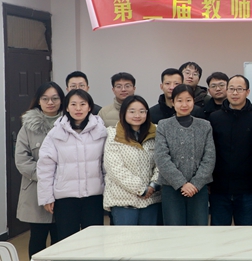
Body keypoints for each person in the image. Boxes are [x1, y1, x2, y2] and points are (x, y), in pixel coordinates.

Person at [37, 89, 107, 241]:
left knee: (94, 241)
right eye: (73, 104)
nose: (78, 108)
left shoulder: (101, 131)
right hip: (65, 198)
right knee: (67, 241)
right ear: (67, 107)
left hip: (94, 197)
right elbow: (45, 167)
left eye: (83, 104)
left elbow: (106, 165)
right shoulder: (56, 133)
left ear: (90, 107)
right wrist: (46, 197)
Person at [15, 82, 64, 259]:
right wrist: (44, 176)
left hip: (63, 188)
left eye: (55, 98)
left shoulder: (68, 124)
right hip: (35, 190)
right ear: (38, 101)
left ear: (61, 100)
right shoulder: (28, 126)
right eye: (45, 98)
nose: (50, 102)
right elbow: (22, 159)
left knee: (61, 238)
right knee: (37, 237)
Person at [154, 84, 215, 225]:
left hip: (198, 188)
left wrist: (195, 184)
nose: (184, 104)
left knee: (198, 229)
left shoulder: (205, 125)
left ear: (193, 101)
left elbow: (209, 157)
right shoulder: (163, 125)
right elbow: (162, 157)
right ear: (173, 102)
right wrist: (182, 184)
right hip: (171, 187)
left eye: (188, 100)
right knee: (175, 230)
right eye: (179, 100)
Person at [208, 75, 252, 226]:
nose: (235, 93)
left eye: (239, 89)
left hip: (247, 188)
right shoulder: (214, 118)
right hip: (219, 187)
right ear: (226, 91)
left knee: (246, 232)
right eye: (231, 89)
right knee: (219, 233)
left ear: (247, 92)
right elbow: (209, 152)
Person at [103, 95, 161, 225]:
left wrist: (153, 185)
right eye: (132, 111)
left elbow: (161, 163)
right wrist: (141, 189)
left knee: (149, 237)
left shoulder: (156, 133)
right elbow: (115, 169)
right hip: (123, 201)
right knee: (126, 238)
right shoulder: (113, 135)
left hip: (151, 200)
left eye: (142, 111)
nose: (137, 115)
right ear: (123, 113)